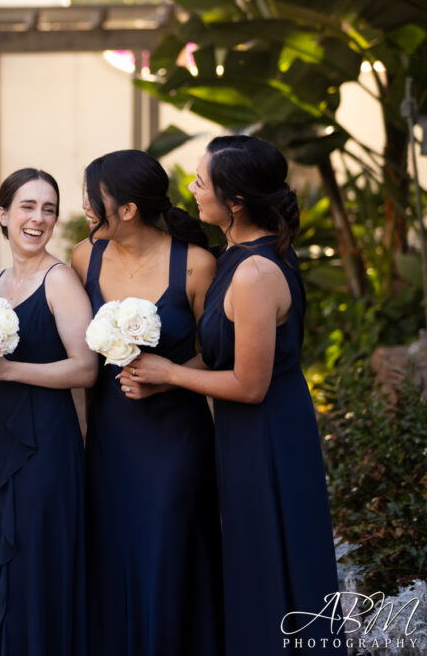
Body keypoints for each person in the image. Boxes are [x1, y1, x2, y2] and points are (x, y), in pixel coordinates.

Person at [125, 136, 344, 655]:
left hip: (270, 432)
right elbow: (224, 356)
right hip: (246, 430)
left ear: (237, 200)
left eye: (202, 182)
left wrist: (173, 375)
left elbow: (249, 384)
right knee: (251, 555)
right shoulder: (235, 255)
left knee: (273, 555)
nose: (193, 190)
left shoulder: (254, 272)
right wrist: (166, 372)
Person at [70, 149, 223, 656]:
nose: (87, 206)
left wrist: (169, 377)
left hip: (176, 436)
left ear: (129, 208)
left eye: (96, 197)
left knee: (166, 546)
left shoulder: (197, 264)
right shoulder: (83, 258)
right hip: (111, 437)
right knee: (114, 548)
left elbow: (222, 358)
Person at [0, 168, 96, 656]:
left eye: (48, 208)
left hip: (46, 441)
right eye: (27, 206)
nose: (38, 218)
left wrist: (10, 372)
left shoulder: (60, 280)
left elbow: (85, 369)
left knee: (36, 560)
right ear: (2, 214)